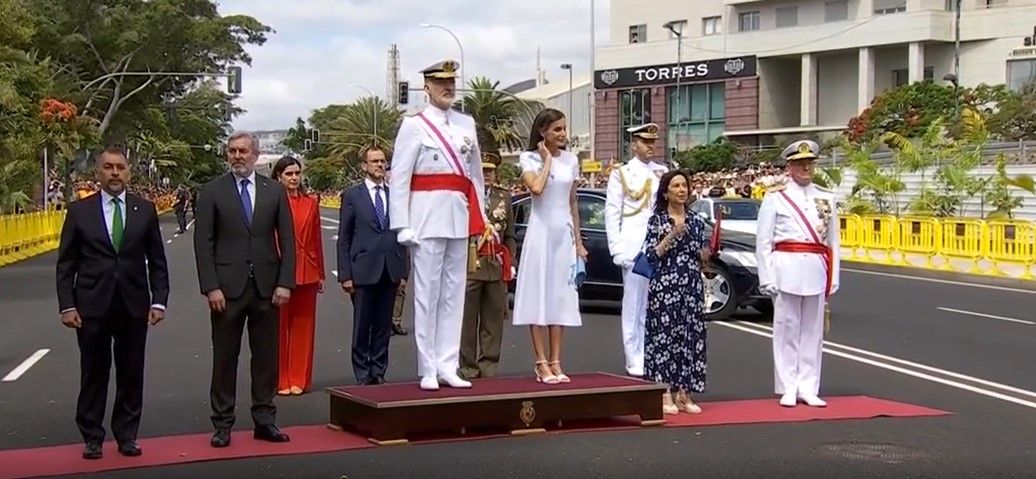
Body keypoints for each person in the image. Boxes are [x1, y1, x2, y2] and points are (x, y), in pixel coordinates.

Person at [55, 145, 169, 459]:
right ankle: (92, 436)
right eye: (109, 167)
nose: (115, 173)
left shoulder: (144, 209)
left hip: (134, 305)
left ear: (128, 171)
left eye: (120, 167)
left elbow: (157, 260)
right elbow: (66, 263)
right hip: (91, 306)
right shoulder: (80, 211)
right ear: (98, 172)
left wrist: (159, 301)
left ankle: (127, 435)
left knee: (132, 372)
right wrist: (67, 305)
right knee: (94, 371)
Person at [389, 59, 488, 391]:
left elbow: (474, 177)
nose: (448, 87)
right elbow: (400, 177)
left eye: (452, 82)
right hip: (426, 218)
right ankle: (427, 366)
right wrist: (402, 223)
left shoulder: (466, 123)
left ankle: (449, 364)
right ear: (427, 87)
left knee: (453, 295)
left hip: (458, 215)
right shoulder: (414, 125)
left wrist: (482, 216)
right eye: (440, 82)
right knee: (427, 295)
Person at [194, 131, 295, 447]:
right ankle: (222, 424)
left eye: (243, 151)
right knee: (225, 359)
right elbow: (203, 243)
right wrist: (211, 287)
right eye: (232, 151)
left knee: (266, 359)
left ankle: (265, 420)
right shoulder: (212, 191)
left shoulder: (274, 191)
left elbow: (288, 241)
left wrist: (285, 283)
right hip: (227, 290)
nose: (237, 156)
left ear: (255, 154)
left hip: (267, 288)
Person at [756, 140, 841, 408]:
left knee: (812, 333)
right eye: (800, 164)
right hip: (786, 267)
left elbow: (834, 243)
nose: (806, 168)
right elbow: (764, 241)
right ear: (789, 166)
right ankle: (788, 385)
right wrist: (766, 277)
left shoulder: (826, 198)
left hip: (816, 268)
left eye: (810, 163)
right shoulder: (775, 197)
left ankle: (809, 385)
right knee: (786, 329)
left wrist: (834, 275)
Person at [512, 108, 587, 384]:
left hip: (563, 235)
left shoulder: (571, 160)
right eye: (557, 129)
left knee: (560, 297)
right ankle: (540, 362)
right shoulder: (528, 158)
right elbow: (537, 189)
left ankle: (556, 360)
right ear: (543, 132)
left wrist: (578, 242)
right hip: (541, 233)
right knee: (539, 295)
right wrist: (545, 161)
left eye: (564, 129)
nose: (563, 134)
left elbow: (573, 203)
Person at [338, 144, 408, 385]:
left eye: (382, 161)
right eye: (375, 161)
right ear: (364, 166)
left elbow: (402, 233)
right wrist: (345, 275)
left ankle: (378, 370)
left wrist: (404, 271)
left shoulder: (395, 195)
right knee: (362, 326)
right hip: (363, 271)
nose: (380, 165)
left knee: (382, 326)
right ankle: (362, 373)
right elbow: (344, 238)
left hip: (390, 269)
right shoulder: (352, 196)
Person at [641, 170, 710, 415]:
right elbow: (651, 254)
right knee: (664, 338)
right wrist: (671, 235)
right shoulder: (657, 220)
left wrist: (705, 256)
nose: (681, 190)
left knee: (689, 338)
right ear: (666, 192)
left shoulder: (696, 220)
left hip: (690, 286)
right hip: (665, 285)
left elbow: (700, 256)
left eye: (684, 186)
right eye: (676, 186)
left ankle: (684, 392)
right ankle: (664, 391)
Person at [604, 123, 669, 377]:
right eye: (645, 142)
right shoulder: (622, 173)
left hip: (659, 244)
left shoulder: (662, 172)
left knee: (655, 304)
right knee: (633, 305)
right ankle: (634, 356)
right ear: (634, 144)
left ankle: (652, 351)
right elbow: (612, 213)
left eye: (653, 142)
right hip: (633, 244)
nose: (650, 146)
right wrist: (616, 249)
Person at [271, 156, 325, 395]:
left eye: (296, 173)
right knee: (279, 327)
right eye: (288, 174)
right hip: (279, 271)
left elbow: (316, 239)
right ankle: (281, 378)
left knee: (304, 326)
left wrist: (321, 272)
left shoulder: (311, 203)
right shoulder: (271, 203)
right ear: (278, 177)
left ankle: (299, 379)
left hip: (308, 270)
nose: (293, 178)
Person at [460, 154, 516, 380]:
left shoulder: (504, 196)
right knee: (467, 321)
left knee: (493, 322)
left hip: (495, 265)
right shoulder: (465, 197)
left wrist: (510, 262)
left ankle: (488, 368)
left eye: (490, 171)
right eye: (482, 170)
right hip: (470, 265)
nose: (487, 175)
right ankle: (467, 368)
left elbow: (509, 234)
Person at [384, 165, 409, 337]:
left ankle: (396, 321)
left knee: (401, 286)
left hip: (402, 245)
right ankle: (384, 322)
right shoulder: (382, 194)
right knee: (384, 286)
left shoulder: (404, 195)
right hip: (385, 246)